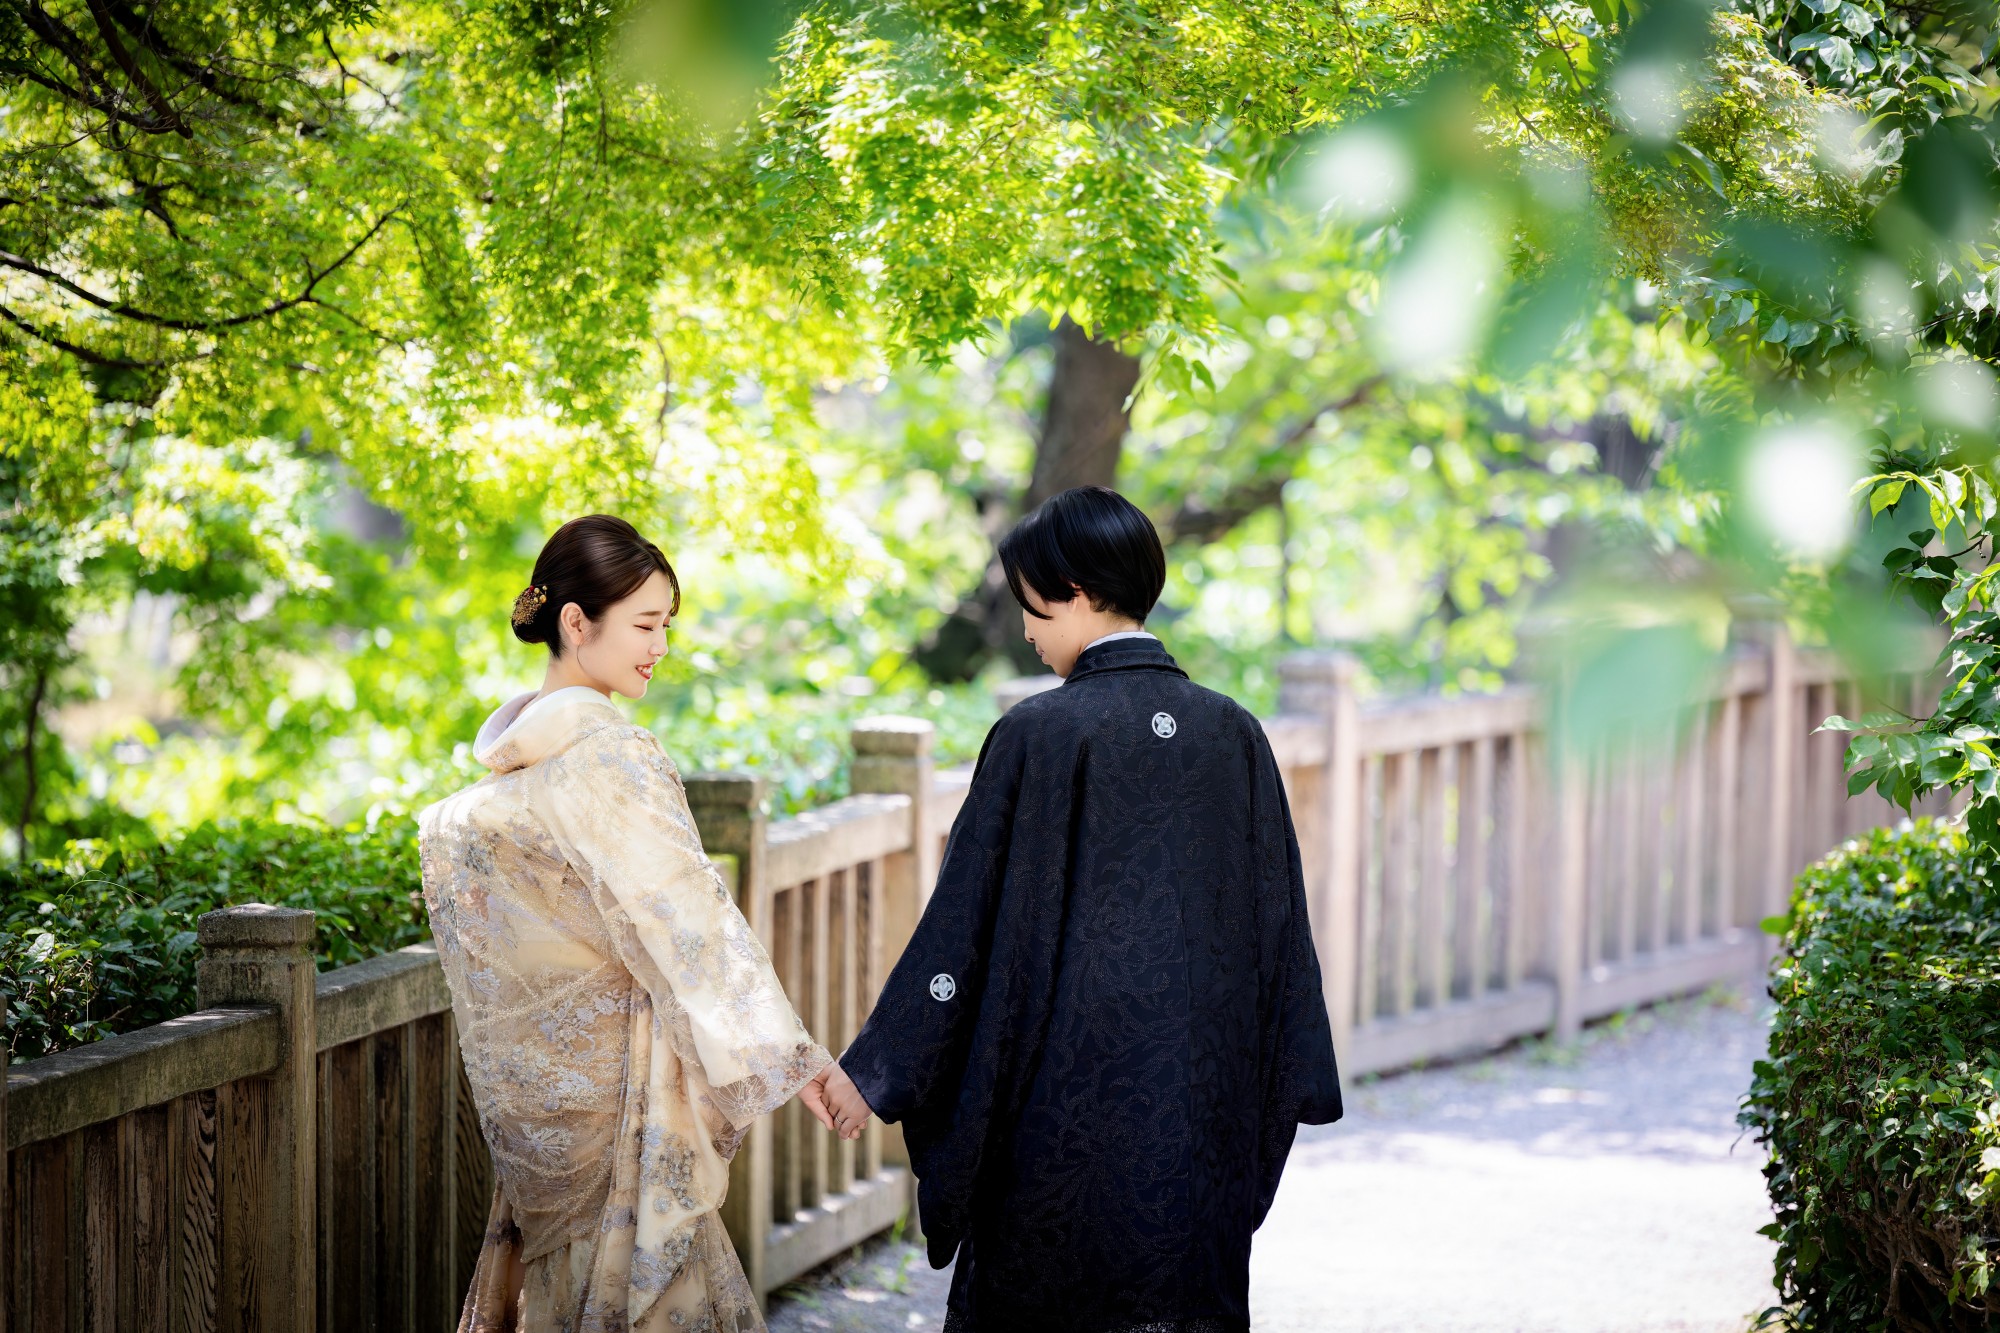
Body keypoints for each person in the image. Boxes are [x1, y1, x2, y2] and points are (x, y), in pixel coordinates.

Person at [809, 485, 1343, 1333]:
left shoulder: (1037, 735)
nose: (1026, 629)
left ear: (1080, 592)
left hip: (1054, 1113)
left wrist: (875, 1072)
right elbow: (1281, 937)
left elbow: (962, 938)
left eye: (1032, 606)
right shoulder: (1235, 733)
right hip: (1198, 1111)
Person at [419, 515, 844, 1333]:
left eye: (666, 626)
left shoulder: (480, 801)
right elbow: (690, 922)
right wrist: (796, 1061)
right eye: (646, 624)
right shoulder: (612, 756)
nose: (659, 646)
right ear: (576, 623)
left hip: (540, 1109)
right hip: (622, 1106)